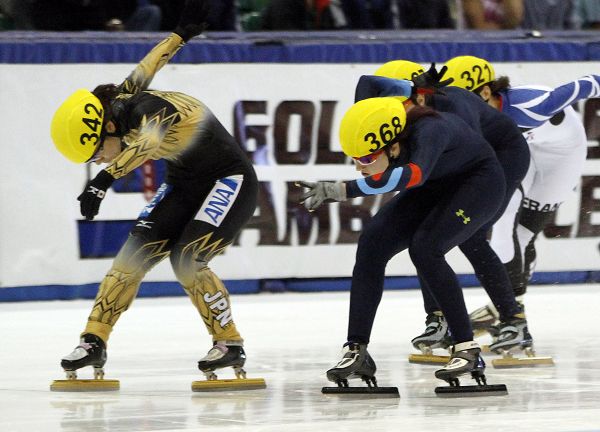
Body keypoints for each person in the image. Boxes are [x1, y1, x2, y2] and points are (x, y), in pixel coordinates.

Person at [50, 0, 262, 390]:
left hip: (229, 180)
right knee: (129, 260)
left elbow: (148, 143)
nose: (97, 157)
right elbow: (148, 65)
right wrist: (180, 35)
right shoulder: (123, 100)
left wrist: (103, 179)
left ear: (107, 127)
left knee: (187, 259)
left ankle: (229, 341)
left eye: (97, 150)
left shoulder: (149, 109)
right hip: (184, 182)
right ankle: (93, 340)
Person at [299, 96, 508, 392]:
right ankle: (356, 350)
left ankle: (467, 348)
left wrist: (345, 189)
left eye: (367, 159)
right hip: (434, 186)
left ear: (394, 146)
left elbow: (413, 175)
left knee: (426, 248)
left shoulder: (432, 130)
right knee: (372, 244)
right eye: (356, 160)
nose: (360, 167)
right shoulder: (394, 137)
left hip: (479, 185)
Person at [355, 60, 531, 359]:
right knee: (425, 234)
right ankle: (437, 318)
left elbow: (467, 161)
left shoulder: (452, 107)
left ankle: (514, 320)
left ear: (415, 94)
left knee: (469, 237)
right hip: (452, 163)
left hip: (499, 159)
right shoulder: (411, 111)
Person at [441, 55, 596, 343]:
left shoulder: (532, 104)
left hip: (563, 156)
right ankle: (509, 311)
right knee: (501, 225)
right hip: (519, 151)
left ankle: (513, 313)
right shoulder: (469, 115)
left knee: (525, 235)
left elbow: (588, 84)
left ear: (486, 92)